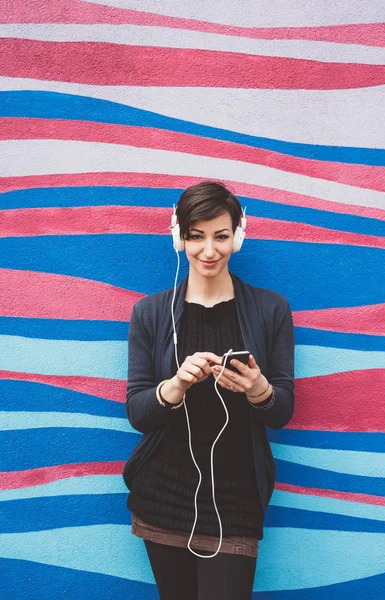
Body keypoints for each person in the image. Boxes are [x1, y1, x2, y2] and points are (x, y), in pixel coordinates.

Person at [123, 181, 295, 600]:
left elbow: (283, 410)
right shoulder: (150, 312)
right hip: (163, 495)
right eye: (196, 237)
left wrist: (259, 389)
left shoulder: (272, 309)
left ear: (238, 235)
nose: (209, 250)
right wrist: (175, 385)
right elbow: (137, 413)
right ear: (178, 236)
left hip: (237, 500)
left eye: (220, 236)